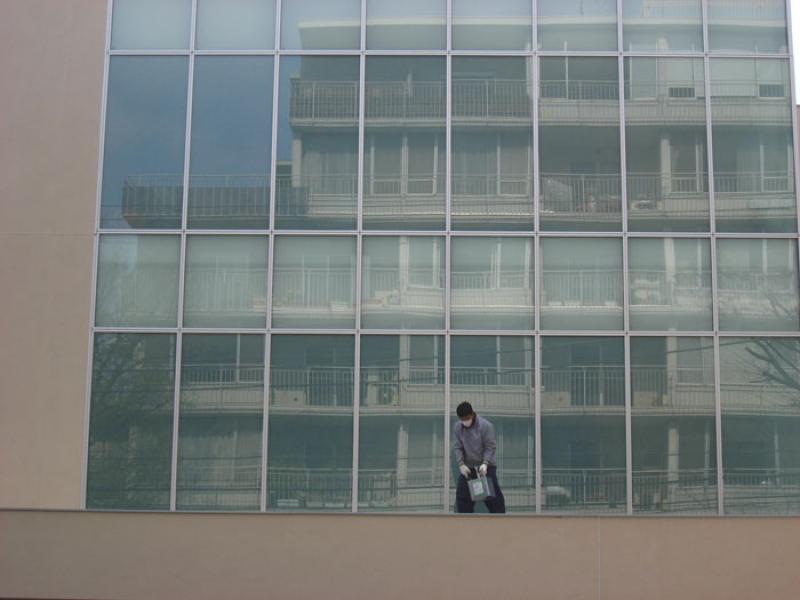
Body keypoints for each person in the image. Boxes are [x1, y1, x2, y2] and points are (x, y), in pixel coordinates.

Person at [453, 401, 506, 513]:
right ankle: (464, 522)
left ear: (472, 414)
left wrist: (485, 463)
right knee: (462, 495)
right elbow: (458, 447)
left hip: (486, 467)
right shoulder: (458, 427)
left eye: (466, 418)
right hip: (469, 467)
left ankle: (500, 521)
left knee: (492, 496)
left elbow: (490, 447)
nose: (464, 422)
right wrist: (461, 464)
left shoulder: (485, 426)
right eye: (462, 419)